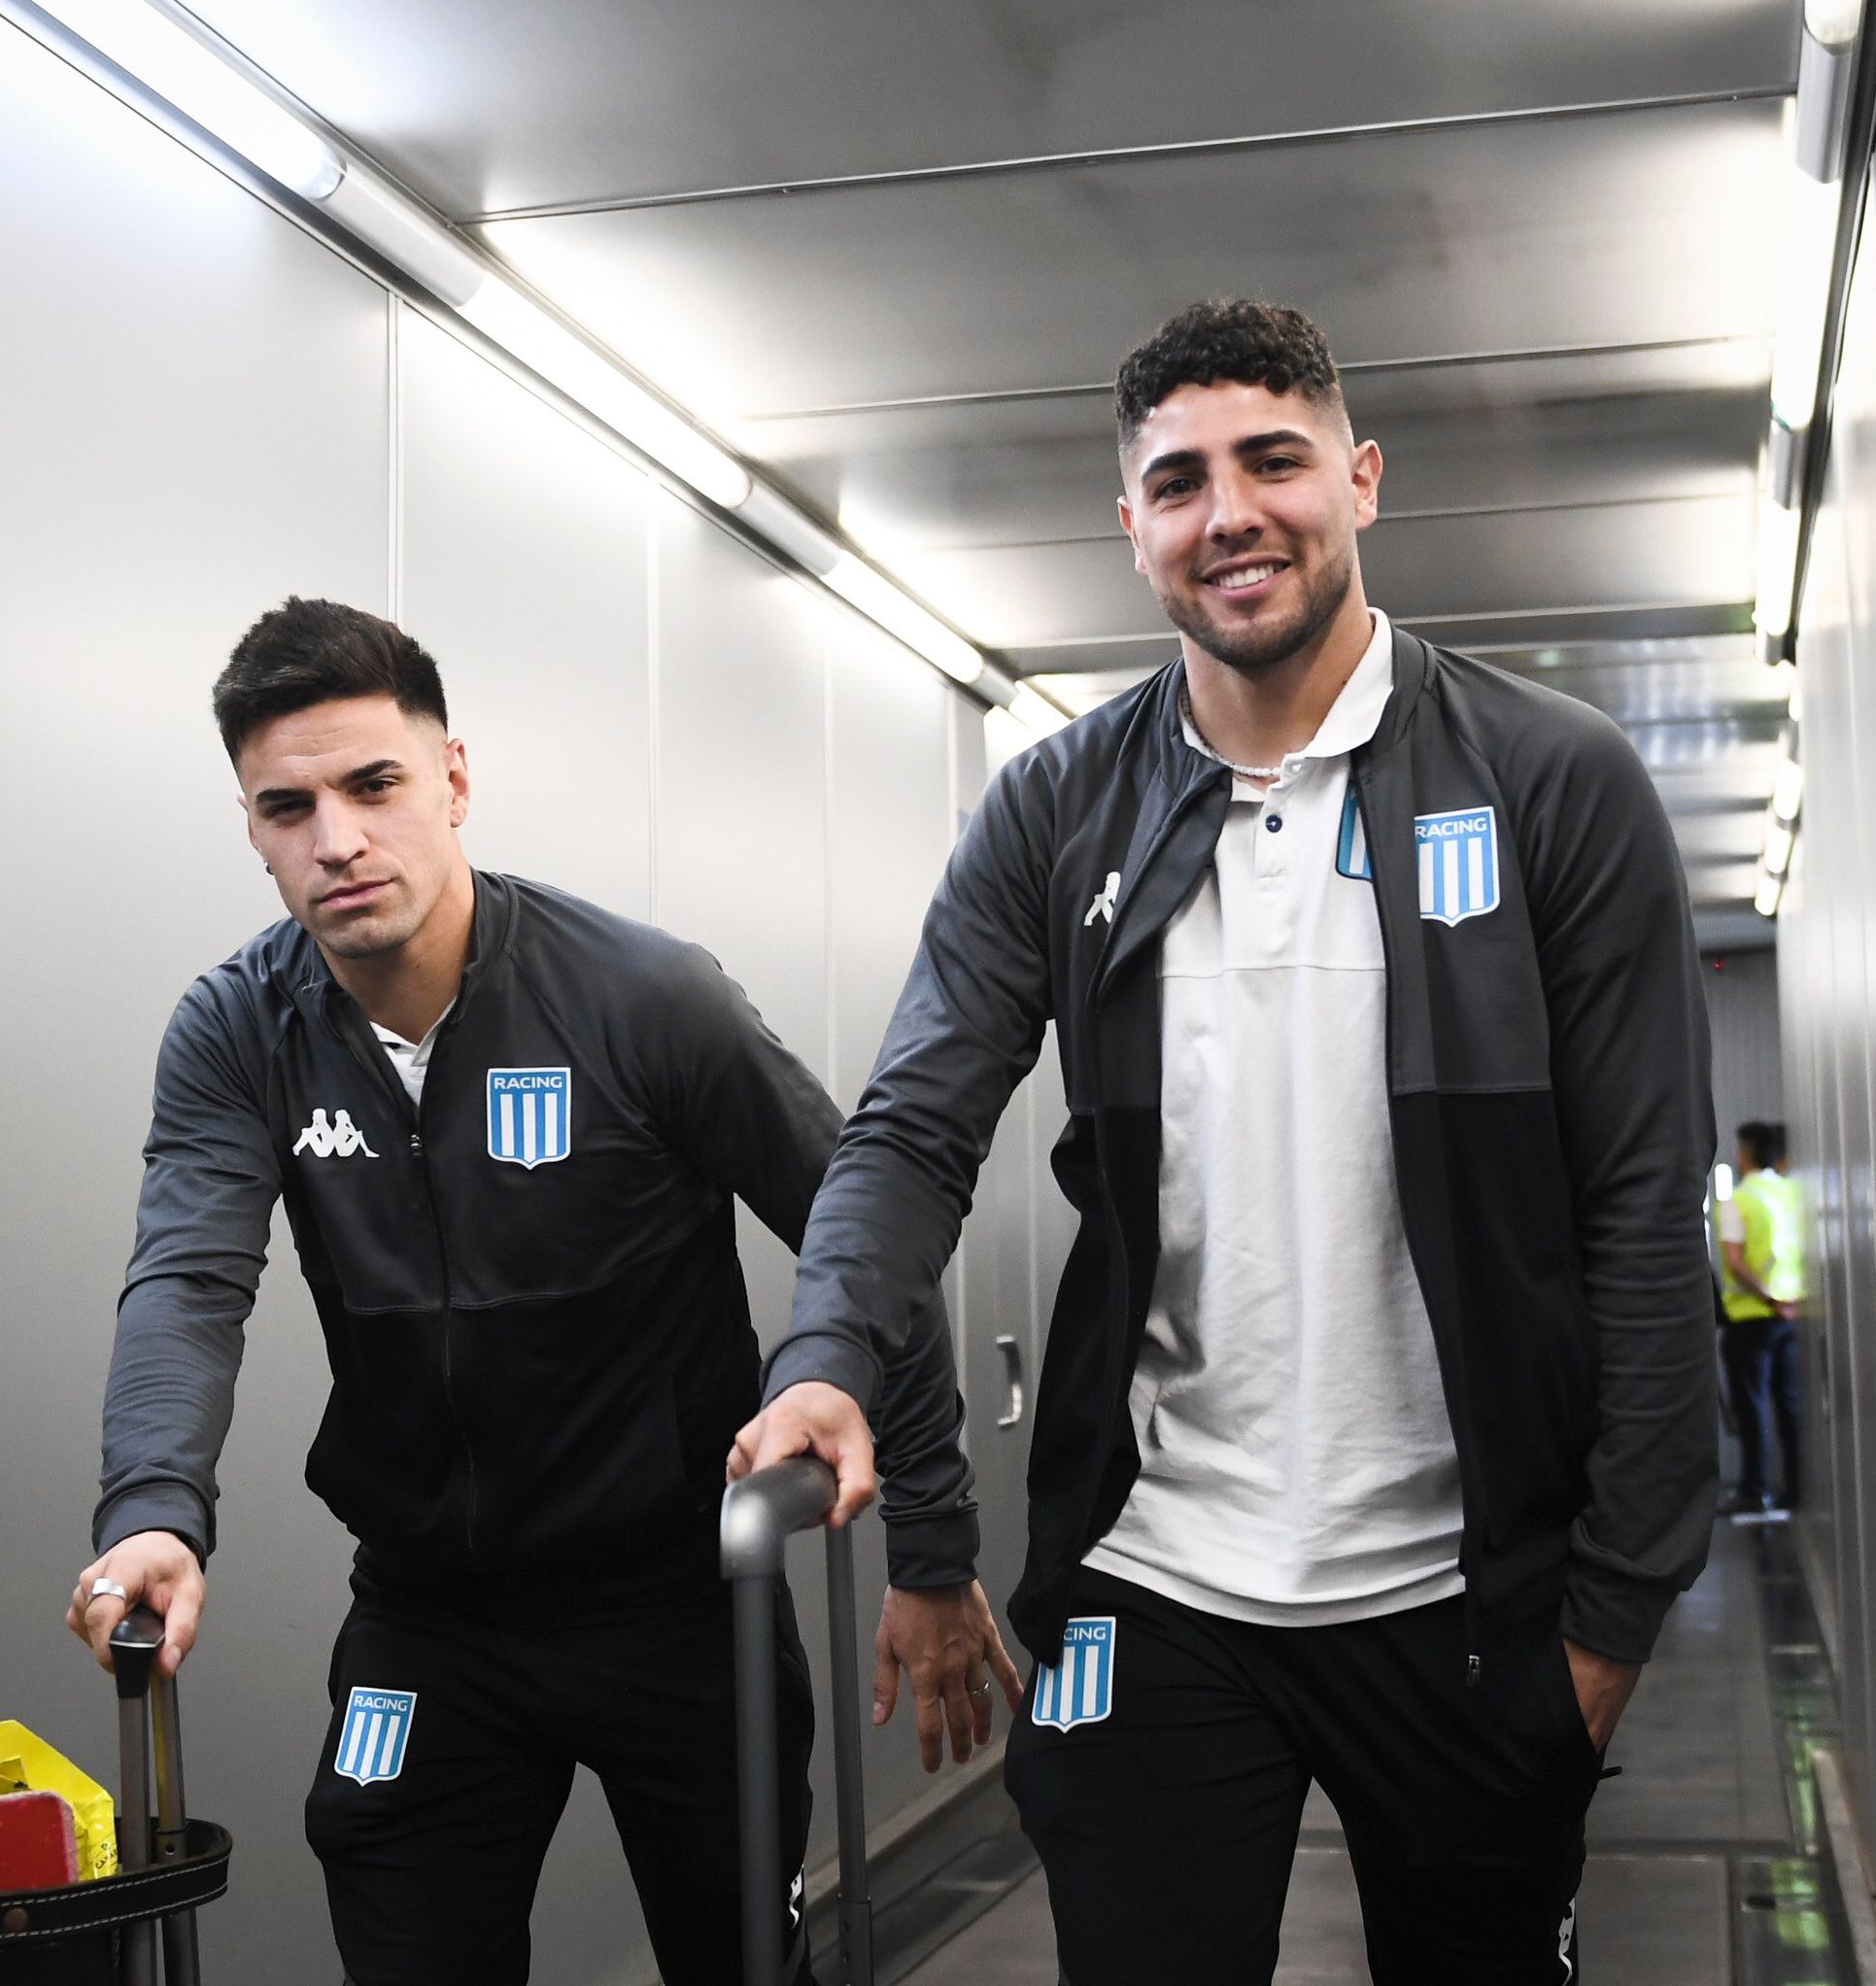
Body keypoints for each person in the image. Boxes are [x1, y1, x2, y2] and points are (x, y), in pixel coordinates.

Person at [732, 299, 1719, 1983]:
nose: (1229, 513)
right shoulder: (1057, 806)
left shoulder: (1553, 778)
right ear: (1130, 524)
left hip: (1465, 1595)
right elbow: (911, 1124)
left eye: (1272, 460)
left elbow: (1639, 1204)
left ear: (1360, 477)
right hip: (1156, 1568)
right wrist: (823, 1349)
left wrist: (1610, 1615)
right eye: (1176, 480)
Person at [63, 598, 1014, 1986]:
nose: (337, 840)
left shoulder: (641, 1000)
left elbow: (863, 1243)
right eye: (289, 806)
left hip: (682, 1605)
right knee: (396, 1917)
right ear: (253, 828)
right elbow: (187, 1283)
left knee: (738, 1951)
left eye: (374, 785)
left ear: (452, 779)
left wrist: (929, 1547)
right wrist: (150, 1509)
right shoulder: (239, 1032)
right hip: (430, 1619)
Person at [1718, 1120, 1804, 1517]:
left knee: (1751, 1407)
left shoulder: (1738, 1200)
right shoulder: (1792, 1193)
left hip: (1753, 1316)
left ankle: (1753, 1490)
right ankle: (1796, 1489)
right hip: (1792, 1313)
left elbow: (1735, 1263)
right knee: (1789, 1404)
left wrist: (1768, 1298)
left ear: (1745, 1154)